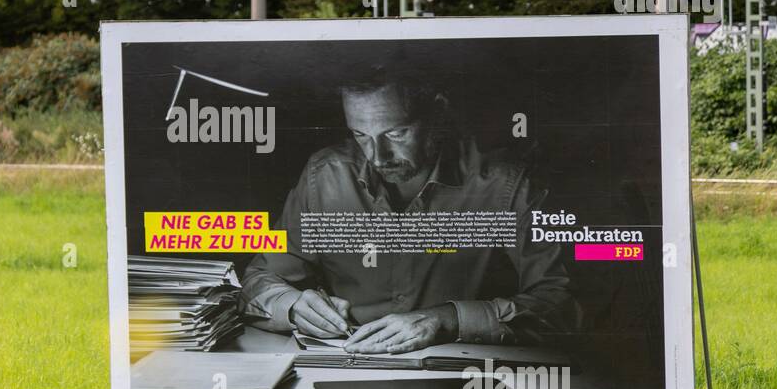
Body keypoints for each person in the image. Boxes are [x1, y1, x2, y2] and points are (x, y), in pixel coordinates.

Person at [241, 65, 580, 354]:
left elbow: (564, 302)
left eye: (396, 132)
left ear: (437, 112)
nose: (377, 156)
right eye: (361, 134)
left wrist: (449, 320)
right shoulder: (325, 176)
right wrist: (294, 305)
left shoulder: (506, 184)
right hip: (348, 366)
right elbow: (260, 278)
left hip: (466, 380)